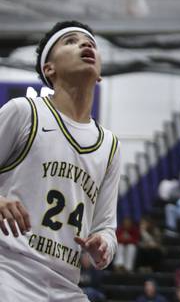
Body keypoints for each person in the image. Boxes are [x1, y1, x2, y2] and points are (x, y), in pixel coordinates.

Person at [0, 20, 121, 298]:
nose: (85, 44)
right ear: (49, 69)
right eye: (70, 41)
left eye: (90, 42)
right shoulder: (24, 113)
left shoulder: (110, 145)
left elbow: (106, 226)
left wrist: (104, 245)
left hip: (66, 285)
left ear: (99, 73)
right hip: (10, 272)